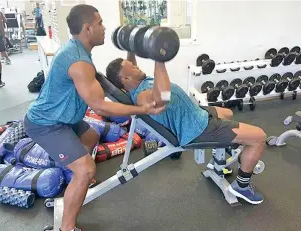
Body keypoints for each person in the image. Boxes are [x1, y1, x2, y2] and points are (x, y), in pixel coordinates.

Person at [23, 5, 164, 231]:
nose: (104, 27)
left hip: (65, 117)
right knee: (87, 169)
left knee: (90, 135)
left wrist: (131, 51)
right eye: (100, 23)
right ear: (88, 29)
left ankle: (75, 181)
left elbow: (126, 75)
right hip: (47, 123)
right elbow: (101, 107)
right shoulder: (79, 62)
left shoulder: (78, 50)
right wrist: (142, 110)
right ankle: (67, 227)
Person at [106, 54, 267, 205]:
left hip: (196, 114)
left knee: (228, 113)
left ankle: (218, 161)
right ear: (126, 79)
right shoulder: (142, 96)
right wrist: (159, 59)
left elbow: (131, 64)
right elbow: (162, 98)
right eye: (132, 67)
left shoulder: (136, 82)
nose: (136, 66)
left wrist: (131, 44)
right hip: (197, 130)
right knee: (259, 137)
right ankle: (242, 186)